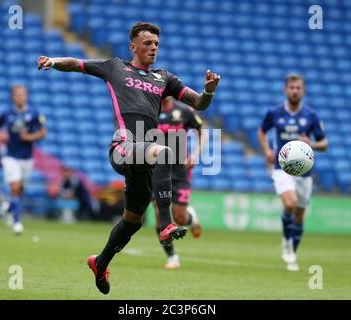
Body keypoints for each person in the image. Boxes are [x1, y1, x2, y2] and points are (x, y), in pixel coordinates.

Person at [37, 22, 220, 294]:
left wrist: (208, 91)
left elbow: (198, 103)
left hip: (144, 157)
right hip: (124, 146)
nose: (153, 48)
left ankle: (100, 262)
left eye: (156, 44)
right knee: (165, 150)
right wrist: (53, 60)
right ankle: (167, 224)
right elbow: (76, 64)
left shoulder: (164, 78)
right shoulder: (115, 68)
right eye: (148, 43)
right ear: (133, 46)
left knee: (133, 221)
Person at [257, 74, 328, 272]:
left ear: (303, 91)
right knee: (290, 203)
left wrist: (311, 143)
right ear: (285, 90)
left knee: (300, 214)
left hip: (305, 172)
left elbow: (325, 144)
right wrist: (267, 151)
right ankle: (286, 240)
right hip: (282, 167)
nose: (295, 91)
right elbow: (261, 132)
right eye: (292, 87)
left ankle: (292, 251)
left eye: (298, 88)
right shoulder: (274, 113)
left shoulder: (311, 116)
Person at [152, 96, 207, 269]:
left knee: (179, 217)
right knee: (160, 215)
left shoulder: (183, 111)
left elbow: (202, 131)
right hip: (156, 170)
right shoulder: (149, 109)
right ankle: (172, 257)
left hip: (179, 171)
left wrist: (196, 154)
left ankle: (190, 219)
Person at [0, 85, 47, 235]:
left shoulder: (34, 114)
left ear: (26, 96)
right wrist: (0, 136)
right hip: (10, 156)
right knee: (15, 187)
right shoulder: (6, 113)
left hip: (27, 158)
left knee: (20, 190)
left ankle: (9, 208)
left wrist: (30, 137)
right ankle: (16, 222)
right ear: (13, 96)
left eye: (22, 94)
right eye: (17, 95)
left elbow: (43, 132)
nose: (20, 97)